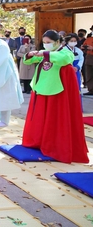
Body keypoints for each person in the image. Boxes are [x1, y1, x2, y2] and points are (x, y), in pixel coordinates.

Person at [22, 30, 89, 163]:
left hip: (56, 90)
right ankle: (39, 141)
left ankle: (53, 144)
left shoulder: (65, 51)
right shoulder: (46, 52)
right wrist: (30, 54)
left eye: (49, 43)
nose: (46, 45)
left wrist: (45, 53)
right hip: (42, 87)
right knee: (40, 118)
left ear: (58, 42)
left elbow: (64, 59)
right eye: (44, 43)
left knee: (54, 119)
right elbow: (29, 60)